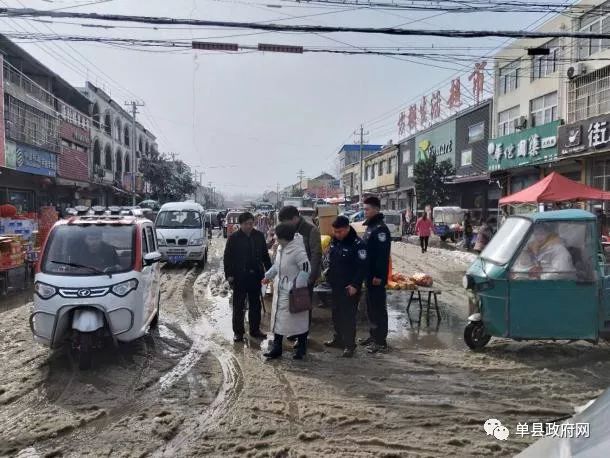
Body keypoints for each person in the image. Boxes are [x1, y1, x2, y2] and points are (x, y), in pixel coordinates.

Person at [262, 223, 311, 360]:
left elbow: (307, 269)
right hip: (280, 290)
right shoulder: (280, 249)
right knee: (278, 320)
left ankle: (301, 348)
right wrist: (268, 276)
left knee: (298, 321)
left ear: (284, 238)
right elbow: (277, 266)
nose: (275, 238)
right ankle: (277, 348)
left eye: (277, 236)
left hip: (294, 293)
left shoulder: (298, 250)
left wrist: (296, 286)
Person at [224, 212, 272, 342]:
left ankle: (255, 330)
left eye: (251, 223)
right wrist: (229, 275)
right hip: (239, 277)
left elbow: (265, 256)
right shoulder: (234, 238)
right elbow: (227, 258)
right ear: (241, 224)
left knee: (255, 304)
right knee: (239, 305)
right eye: (246, 224)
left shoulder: (259, 236)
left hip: (256, 276)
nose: (249, 226)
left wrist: (270, 272)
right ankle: (238, 332)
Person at [278, 206, 323, 342]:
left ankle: (303, 336)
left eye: (286, 222)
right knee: (289, 304)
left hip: (304, 276)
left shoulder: (310, 230)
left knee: (302, 306)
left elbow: (316, 254)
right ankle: (293, 331)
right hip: (290, 275)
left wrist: (311, 276)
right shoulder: (289, 230)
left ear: (295, 218)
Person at [324, 216, 367, 358]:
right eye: (335, 232)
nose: (338, 234)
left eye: (340, 231)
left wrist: (355, 285)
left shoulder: (358, 244)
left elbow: (362, 268)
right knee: (336, 314)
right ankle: (339, 339)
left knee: (348, 316)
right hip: (336, 285)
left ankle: (349, 345)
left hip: (350, 287)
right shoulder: (335, 241)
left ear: (348, 228)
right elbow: (332, 262)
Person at [358, 196, 391, 354]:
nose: (365, 212)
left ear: (376, 209)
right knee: (371, 308)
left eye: (367, 209)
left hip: (376, 277)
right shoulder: (371, 227)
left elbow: (382, 256)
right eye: (364, 209)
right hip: (369, 275)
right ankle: (373, 335)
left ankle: (381, 341)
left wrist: (379, 275)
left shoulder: (381, 229)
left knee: (378, 308)